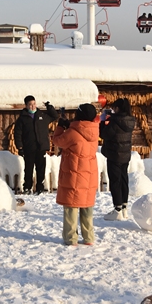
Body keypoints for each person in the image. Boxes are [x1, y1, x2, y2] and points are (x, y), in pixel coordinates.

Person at [53, 103, 99, 246]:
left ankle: (71, 238)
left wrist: (61, 126)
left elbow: (57, 141)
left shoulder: (72, 133)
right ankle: (89, 237)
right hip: (89, 174)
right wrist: (71, 125)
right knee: (86, 207)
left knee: (71, 207)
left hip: (74, 174)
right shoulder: (94, 131)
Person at [14, 95, 59, 195]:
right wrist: (20, 147)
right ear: (26, 106)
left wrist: (49, 106)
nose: (32, 106)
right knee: (29, 169)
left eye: (34, 104)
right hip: (28, 148)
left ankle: (40, 188)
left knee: (41, 169)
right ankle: (27, 187)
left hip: (41, 147)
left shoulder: (42, 116)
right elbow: (17, 134)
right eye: (30, 104)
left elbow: (55, 116)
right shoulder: (22, 119)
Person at [99, 98, 136, 220]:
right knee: (124, 179)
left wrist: (103, 122)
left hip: (114, 154)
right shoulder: (130, 121)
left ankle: (117, 209)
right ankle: (124, 207)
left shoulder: (116, 122)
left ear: (118, 108)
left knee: (115, 181)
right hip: (125, 154)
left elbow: (104, 134)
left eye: (114, 108)